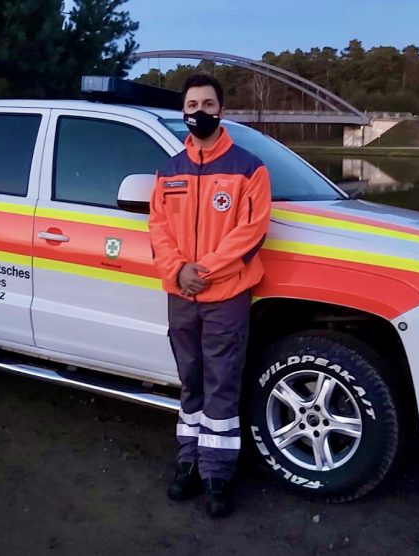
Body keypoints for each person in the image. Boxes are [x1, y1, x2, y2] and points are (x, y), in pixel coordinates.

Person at [148, 74, 272, 518]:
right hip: (181, 292)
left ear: (221, 109)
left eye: (207, 102)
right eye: (192, 103)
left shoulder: (248, 168)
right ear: (184, 110)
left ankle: (218, 473)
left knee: (222, 383)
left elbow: (251, 232)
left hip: (226, 294)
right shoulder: (169, 171)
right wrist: (178, 270)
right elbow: (158, 230)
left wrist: (204, 270)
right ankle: (188, 465)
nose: (198, 110)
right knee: (191, 381)